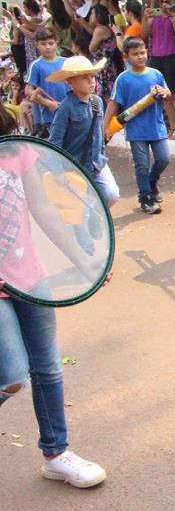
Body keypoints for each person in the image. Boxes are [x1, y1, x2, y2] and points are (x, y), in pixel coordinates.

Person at [0, 107, 108, 489]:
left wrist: (86, 264)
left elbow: (42, 208)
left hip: (29, 275)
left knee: (47, 366)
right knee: (12, 375)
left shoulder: (15, 147)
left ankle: (56, 454)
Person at [105, 37, 172, 215]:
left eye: (142, 53)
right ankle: (145, 197)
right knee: (141, 164)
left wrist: (165, 93)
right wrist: (105, 125)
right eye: (135, 54)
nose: (140, 57)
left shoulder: (156, 74)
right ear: (126, 57)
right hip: (136, 130)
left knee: (164, 158)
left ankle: (151, 181)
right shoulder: (123, 79)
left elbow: (168, 92)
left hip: (157, 127)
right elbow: (114, 103)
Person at [46, 56, 119, 205]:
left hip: (97, 163)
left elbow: (98, 134)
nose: (91, 81)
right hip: (74, 166)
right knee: (82, 208)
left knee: (111, 195)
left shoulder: (97, 101)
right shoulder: (65, 108)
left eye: (92, 76)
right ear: (70, 82)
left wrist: (101, 154)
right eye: (84, 78)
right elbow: (54, 142)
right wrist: (58, 172)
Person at [143, 0, 175, 137]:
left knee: (174, 93)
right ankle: (173, 126)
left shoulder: (173, 17)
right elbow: (144, 34)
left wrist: (169, 13)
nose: (164, 5)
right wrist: (146, 18)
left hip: (171, 56)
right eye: (161, 2)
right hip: (156, 56)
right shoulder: (154, 16)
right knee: (162, 94)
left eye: (167, 1)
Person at [25, 28, 68, 139]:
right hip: (51, 113)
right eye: (43, 44)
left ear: (56, 43)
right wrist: (48, 103)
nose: (48, 47)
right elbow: (28, 90)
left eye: (50, 43)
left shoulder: (65, 62)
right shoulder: (36, 65)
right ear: (37, 45)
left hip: (69, 108)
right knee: (57, 142)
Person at [87, 5, 122, 103]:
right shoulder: (108, 28)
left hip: (104, 68)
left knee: (107, 97)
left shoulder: (99, 30)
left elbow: (91, 48)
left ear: (98, 15)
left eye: (92, 14)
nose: (91, 16)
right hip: (111, 65)